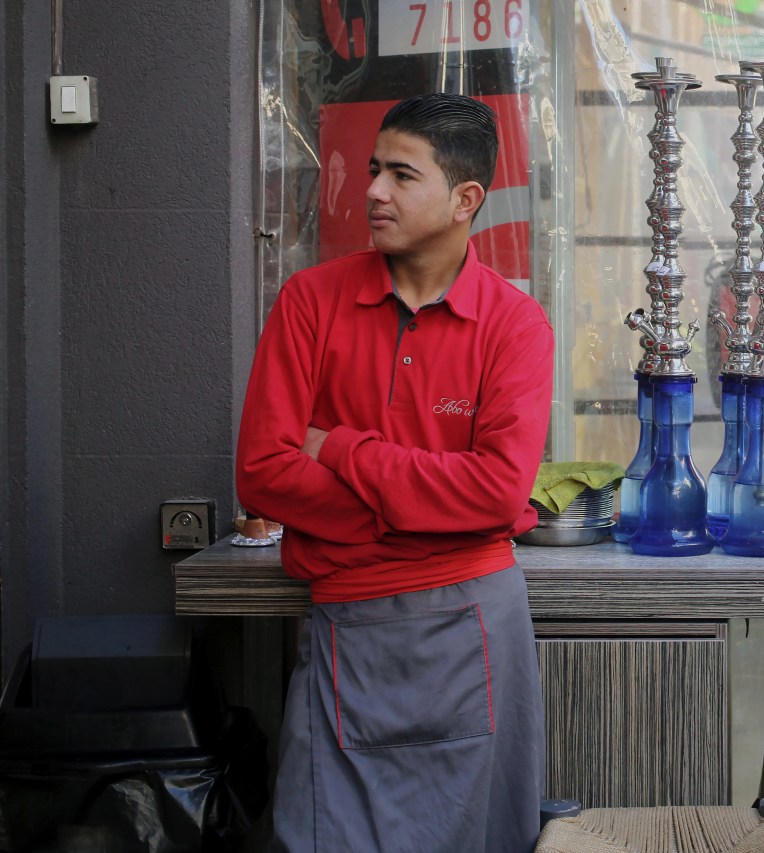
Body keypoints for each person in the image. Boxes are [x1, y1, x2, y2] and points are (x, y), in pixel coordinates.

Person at [236, 93, 553, 852]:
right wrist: (425, 515)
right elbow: (262, 473)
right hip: (349, 623)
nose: (373, 190)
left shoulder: (516, 325)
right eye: (375, 169)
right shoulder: (309, 301)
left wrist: (342, 450)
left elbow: (498, 490)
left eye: (401, 175)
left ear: (464, 199)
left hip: (474, 628)